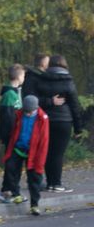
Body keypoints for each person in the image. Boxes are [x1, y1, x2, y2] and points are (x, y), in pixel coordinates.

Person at [34, 54, 83, 192]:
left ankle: (50, 182)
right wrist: (78, 128)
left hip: (45, 120)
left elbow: (35, 99)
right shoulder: (68, 81)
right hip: (63, 121)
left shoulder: (42, 79)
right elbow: (74, 106)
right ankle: (56, 183)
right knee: (58, 153)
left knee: (48, 152)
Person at [0, 95, 49, 215]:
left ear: (36, 108)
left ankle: (34, 205)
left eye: (31, 112)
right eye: (26, 111)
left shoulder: (42, 118)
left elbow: (44, 141)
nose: (28, 114)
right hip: (18, 148)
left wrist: (40, 162)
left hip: (34, 152)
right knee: (10, 168)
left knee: (34, 178)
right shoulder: (19, 114)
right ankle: (16, 194)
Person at [0, 63, 25, 147]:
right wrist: (7, 134)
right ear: (19, 77)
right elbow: (7, 116)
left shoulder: (17, 92)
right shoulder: (9, 94)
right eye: (23, 76)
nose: (24, 78)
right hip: (11, 132)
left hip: (17, 130)